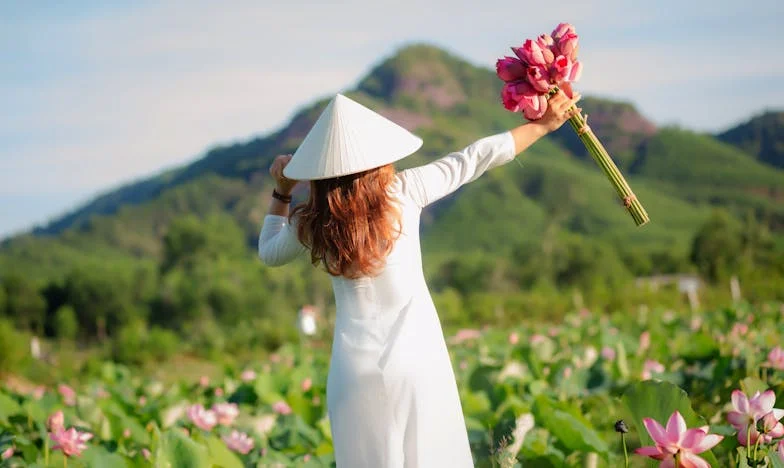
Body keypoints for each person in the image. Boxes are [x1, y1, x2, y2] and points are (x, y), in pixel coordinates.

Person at [258, 90, 580, 467]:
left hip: (352, 373)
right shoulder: (404, 191)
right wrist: (541, 126)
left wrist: (282, 190)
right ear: (376, 158)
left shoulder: (311, 224)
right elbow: (475, 157)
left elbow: (268, 251)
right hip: (416, 361)